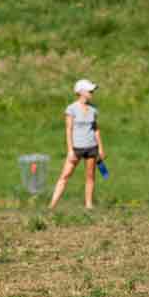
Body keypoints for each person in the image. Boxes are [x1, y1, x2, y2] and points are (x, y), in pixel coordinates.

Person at [50, 79, 105, 210]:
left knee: (90, 176)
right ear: (81, 92)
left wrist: (101, 149)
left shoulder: (93, 109)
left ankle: (89, 205)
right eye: (90, 90)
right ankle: (51, 206)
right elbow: (68, 129)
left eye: (92, 90)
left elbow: (96, 129)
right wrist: (70, 150)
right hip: (76, 148)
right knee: (65, 176)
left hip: (91, 147)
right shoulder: (71, 109)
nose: (92, 92)